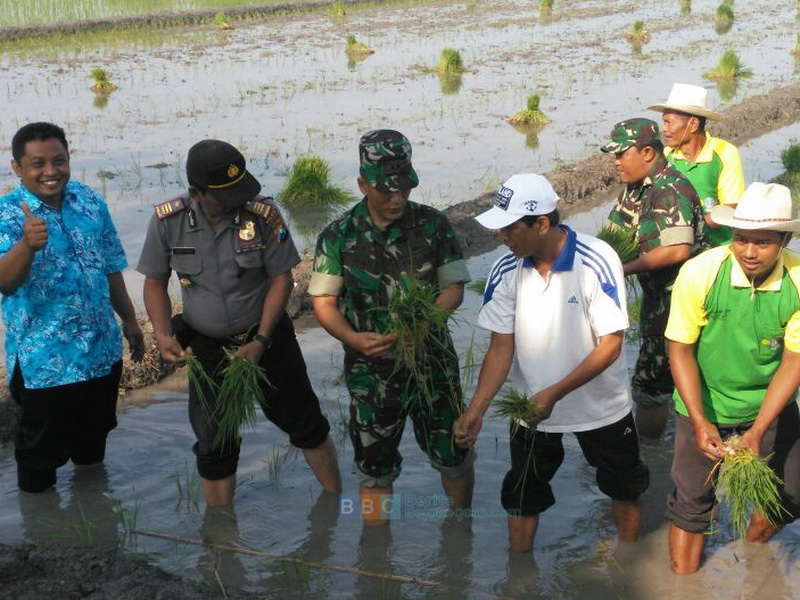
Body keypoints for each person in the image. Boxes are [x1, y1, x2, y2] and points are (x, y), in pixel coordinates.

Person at [137, 139, 341, 507]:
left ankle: (335, 505)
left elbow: (282, 278)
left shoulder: (262, 216)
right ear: (197, 192)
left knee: (305, 424)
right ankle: (220, 538)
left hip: (266, 337)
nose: (236, 200)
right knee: (214, 441)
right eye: (223, 194)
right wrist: (164, 333)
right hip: (207, 345)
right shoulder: (169, 221)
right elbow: (154, 280)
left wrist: (261, 340)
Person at [453, 173, 649, 552]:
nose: (502, 239)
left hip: (601, 408)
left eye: (510, 230)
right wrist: (475, 410)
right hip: (530, 408)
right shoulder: (506, 270)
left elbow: (610, 345)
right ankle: (519, 575)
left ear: (542, 223)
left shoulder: (597, 260)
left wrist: (554, 393)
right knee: (523, 491)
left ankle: (627, 558)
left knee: (623, 485)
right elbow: (500, 348)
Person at [309, 129, 473, 525]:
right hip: (371, 375)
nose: (398, 198)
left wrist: (427, 323)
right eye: (386, 190)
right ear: (363, 183)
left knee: (453, 456)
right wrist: (351, 338)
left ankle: (460, 529)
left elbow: (453, 287)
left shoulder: (433, 226)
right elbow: (324, 303)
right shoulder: (339, 236)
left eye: (405, 188)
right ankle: (375, 544)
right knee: (373, 469)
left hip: (432, 367)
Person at [0, 122, 144, 493]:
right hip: (44, 365)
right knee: (37, 460)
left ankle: (94, 523)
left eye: (59, 161)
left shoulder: (89, 200)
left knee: (92, 449)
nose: (51, 172)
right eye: (38, 164)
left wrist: (129, 320)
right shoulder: (7, 215)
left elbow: (111, 265)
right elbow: (5, 281)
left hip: (100, 352)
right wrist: (26, 247)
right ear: (17, 167)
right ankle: (42, 539)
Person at [665, 182, 800, 574]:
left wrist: (758, 430)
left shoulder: (797, 280)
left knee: (788, 495)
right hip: (703, 402)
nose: (750, 252)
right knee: (692, 505)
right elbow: (680, 349)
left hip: (768, 405)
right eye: (741, 239)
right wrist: (700, 419)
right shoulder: (701, 272)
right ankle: (681, 587)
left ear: (784, 239)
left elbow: (794, 360)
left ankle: (751, 551)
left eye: (763, 242)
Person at [601, 118, 702, 438]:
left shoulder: (669, 188)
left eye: (621, 154)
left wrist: (622, 269)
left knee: (651, 380)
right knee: (658, 376)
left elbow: (677, 250)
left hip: (680, 301)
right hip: (658, 298)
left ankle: (651, 453)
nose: (616, 161)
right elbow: (612, 235)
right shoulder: (635, 188)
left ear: (647, 152)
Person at [649, 82, 746, 247]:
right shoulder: (666, 156)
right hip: (677, 246)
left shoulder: (724, 152)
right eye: (663, 122)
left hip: (718, 246)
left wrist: (694, 224)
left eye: (669, 122)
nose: (664, 129)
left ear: (693, 124)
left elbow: (732, 205)